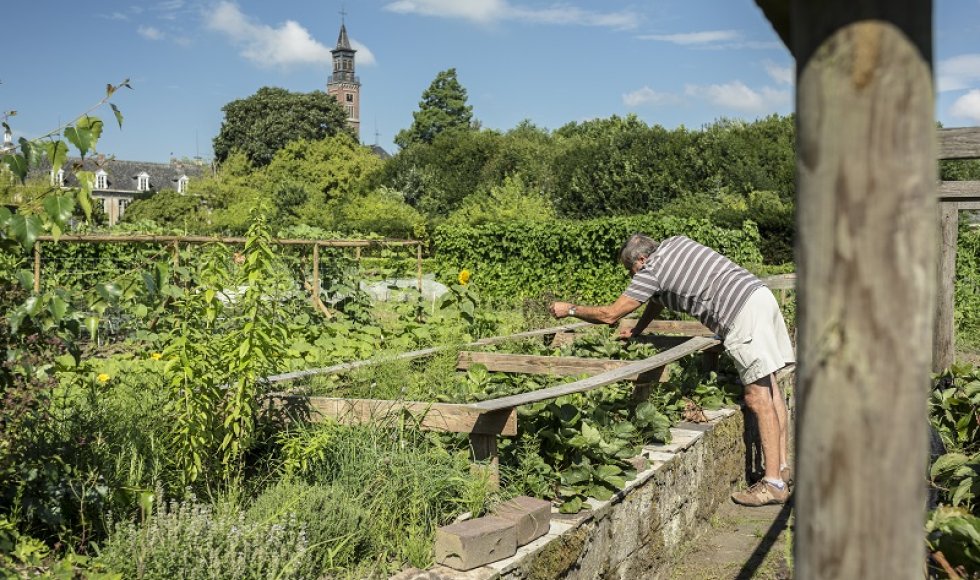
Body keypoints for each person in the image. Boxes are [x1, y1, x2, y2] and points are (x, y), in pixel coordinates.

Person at [548, 233, 795, 506]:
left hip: (741, 314)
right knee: (770, 386)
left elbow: (610, 315)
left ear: (642, 260)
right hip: (759, 296)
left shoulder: (651, 271)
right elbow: (657, 299)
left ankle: (772, 485)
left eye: (632, 271)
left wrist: (569, 309)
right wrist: (638, 330)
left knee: (757, 397)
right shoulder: (677, 243)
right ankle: (782, 469)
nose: (633, 279)